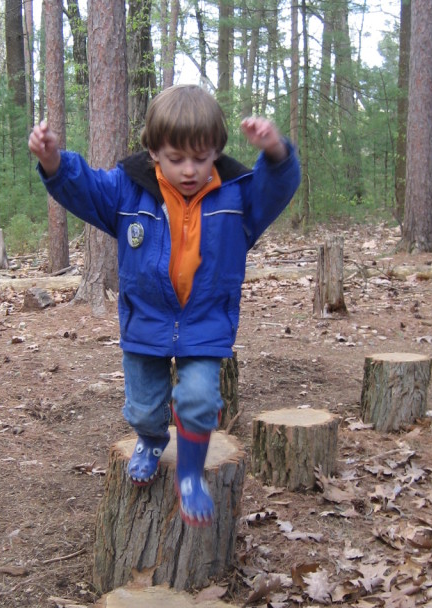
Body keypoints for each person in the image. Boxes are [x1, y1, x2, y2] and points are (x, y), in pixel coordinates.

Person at [28, 85, 301, 526]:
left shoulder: (238, 197)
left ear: (217, 151)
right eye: (176, 159)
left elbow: (278, 184)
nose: (190, 170)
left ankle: (190, 476)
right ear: (154, 151)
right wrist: (52, 161)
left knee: (197, 398)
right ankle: (151, 440)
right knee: (144, 408)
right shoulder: (128, 192)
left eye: (201, 157)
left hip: (206, 322)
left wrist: (276, 150)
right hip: (146, 321)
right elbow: (85, 190)